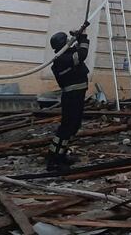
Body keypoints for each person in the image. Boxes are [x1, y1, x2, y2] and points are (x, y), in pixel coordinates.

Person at [46, 22, 90, 172]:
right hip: (72, 97)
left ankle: (60, 155)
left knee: (73, 126)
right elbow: (82, 54)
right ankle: (54, 160)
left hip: (75, 96)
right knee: (67, 128)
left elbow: (75, 52)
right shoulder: (62, 59)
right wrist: (83, 38)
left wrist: (77, 37)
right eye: (66, 41)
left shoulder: (64, 56)